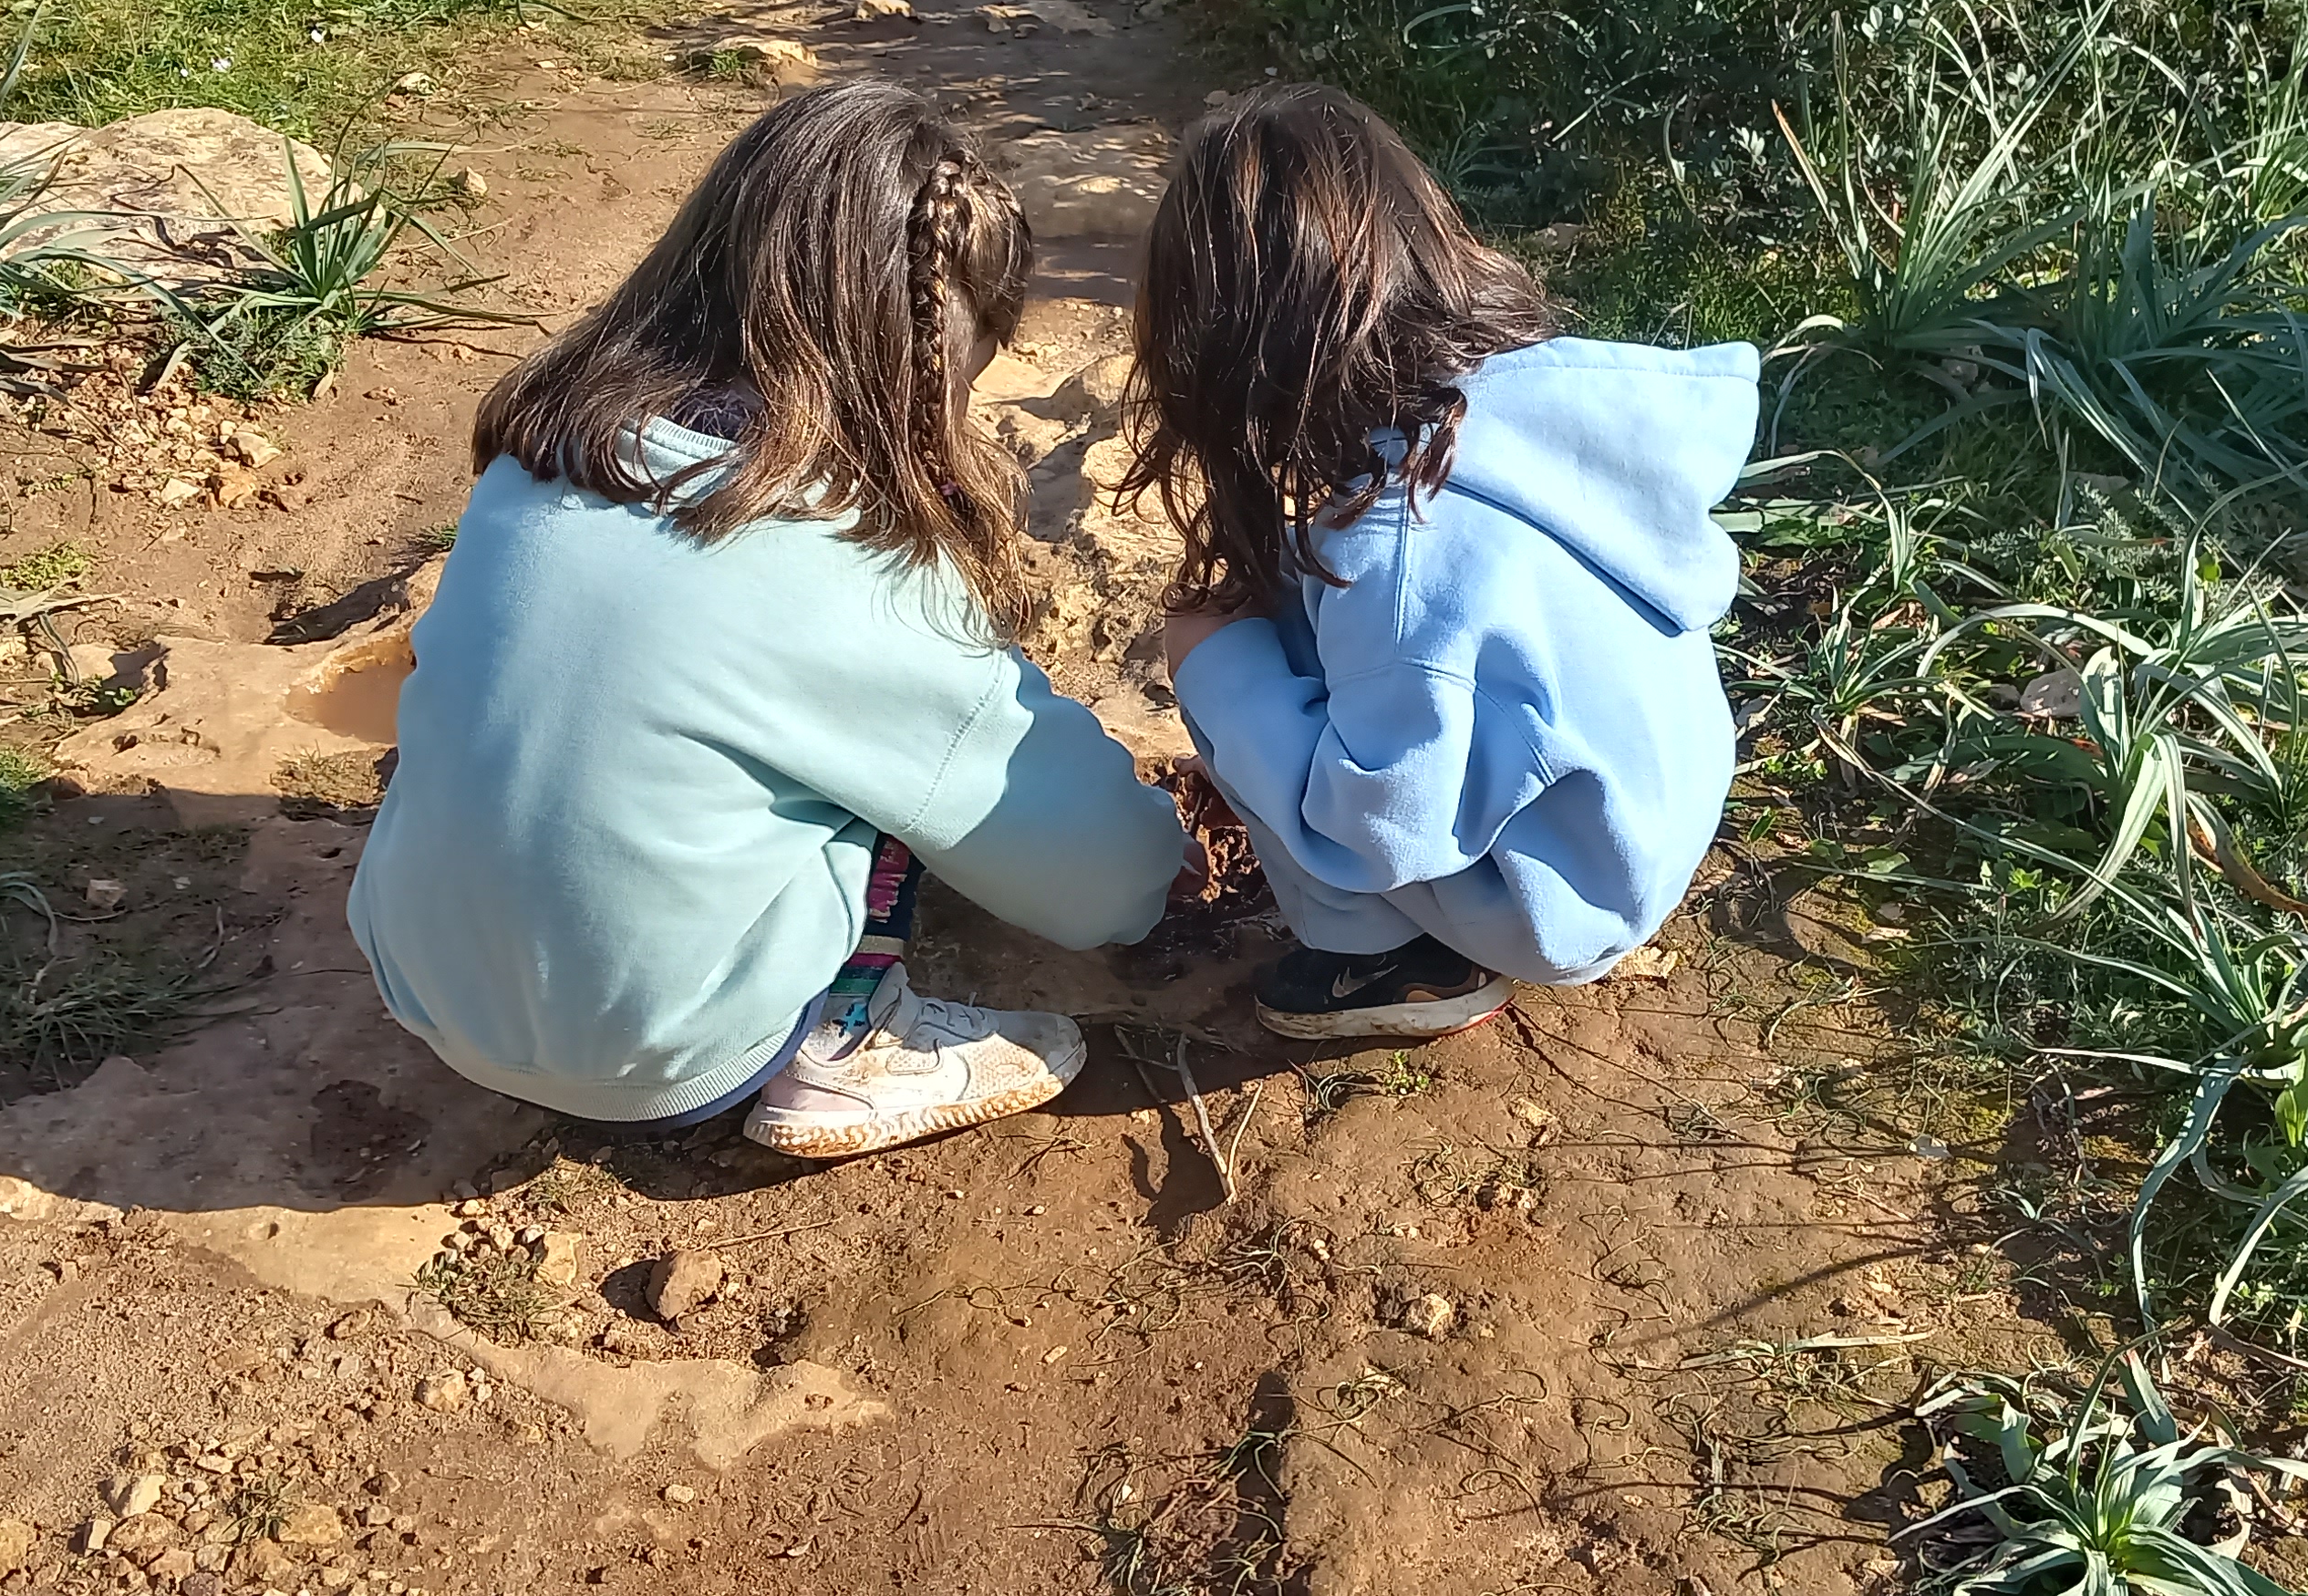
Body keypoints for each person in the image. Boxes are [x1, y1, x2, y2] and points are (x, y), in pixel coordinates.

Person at [348, 81, 1190, 1158]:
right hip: (662, 1051)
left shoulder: (539, 455)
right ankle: (852, 1042)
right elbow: (1103, 890)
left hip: (419, 983)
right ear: (931, 366)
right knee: (888, 790)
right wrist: (1164, 849)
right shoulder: (856, 561)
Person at [1127, 83, 1758, 1041]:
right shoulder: (1532, 416)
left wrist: (1220, 678)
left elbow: (1376, 831)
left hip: (1561, 906)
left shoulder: (1396, 545)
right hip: (1647, 822)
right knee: (1298, 596)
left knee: (1213, 641)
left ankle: (1389, 958)